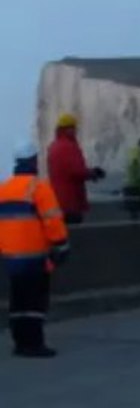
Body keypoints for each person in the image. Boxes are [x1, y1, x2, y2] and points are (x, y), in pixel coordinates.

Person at [0, 140, 70, 357]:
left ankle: (20, 342)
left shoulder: (4, 189)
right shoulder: (38, 187)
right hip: (34, 257)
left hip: (11, 258)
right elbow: (53, 221)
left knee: (17, 301)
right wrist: (61, 245)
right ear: (33, 161)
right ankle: (34, 343)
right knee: (34, 302)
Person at [47, 113, 105, 224]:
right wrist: (93, 173)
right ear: (66, 129)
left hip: (58, 200)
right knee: (74, 235)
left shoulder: (54, 146)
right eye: (72, 128)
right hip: (70, 201)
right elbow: (76, 171)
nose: (75, 131)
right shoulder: (67, 146)